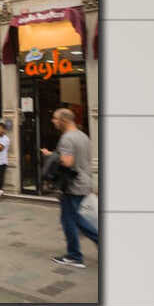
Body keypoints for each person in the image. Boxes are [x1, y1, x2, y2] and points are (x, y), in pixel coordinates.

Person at [45, 106, 99, 269]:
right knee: (75, 218)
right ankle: (75, 253)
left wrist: (52, 157)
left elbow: (67, 162)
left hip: (73, 185)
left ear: (64, 120)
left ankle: (74, 255)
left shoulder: (67, 138)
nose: (53, 121)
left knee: (72, 219)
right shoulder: (83, 136)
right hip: (84, 182)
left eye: (55, 118)